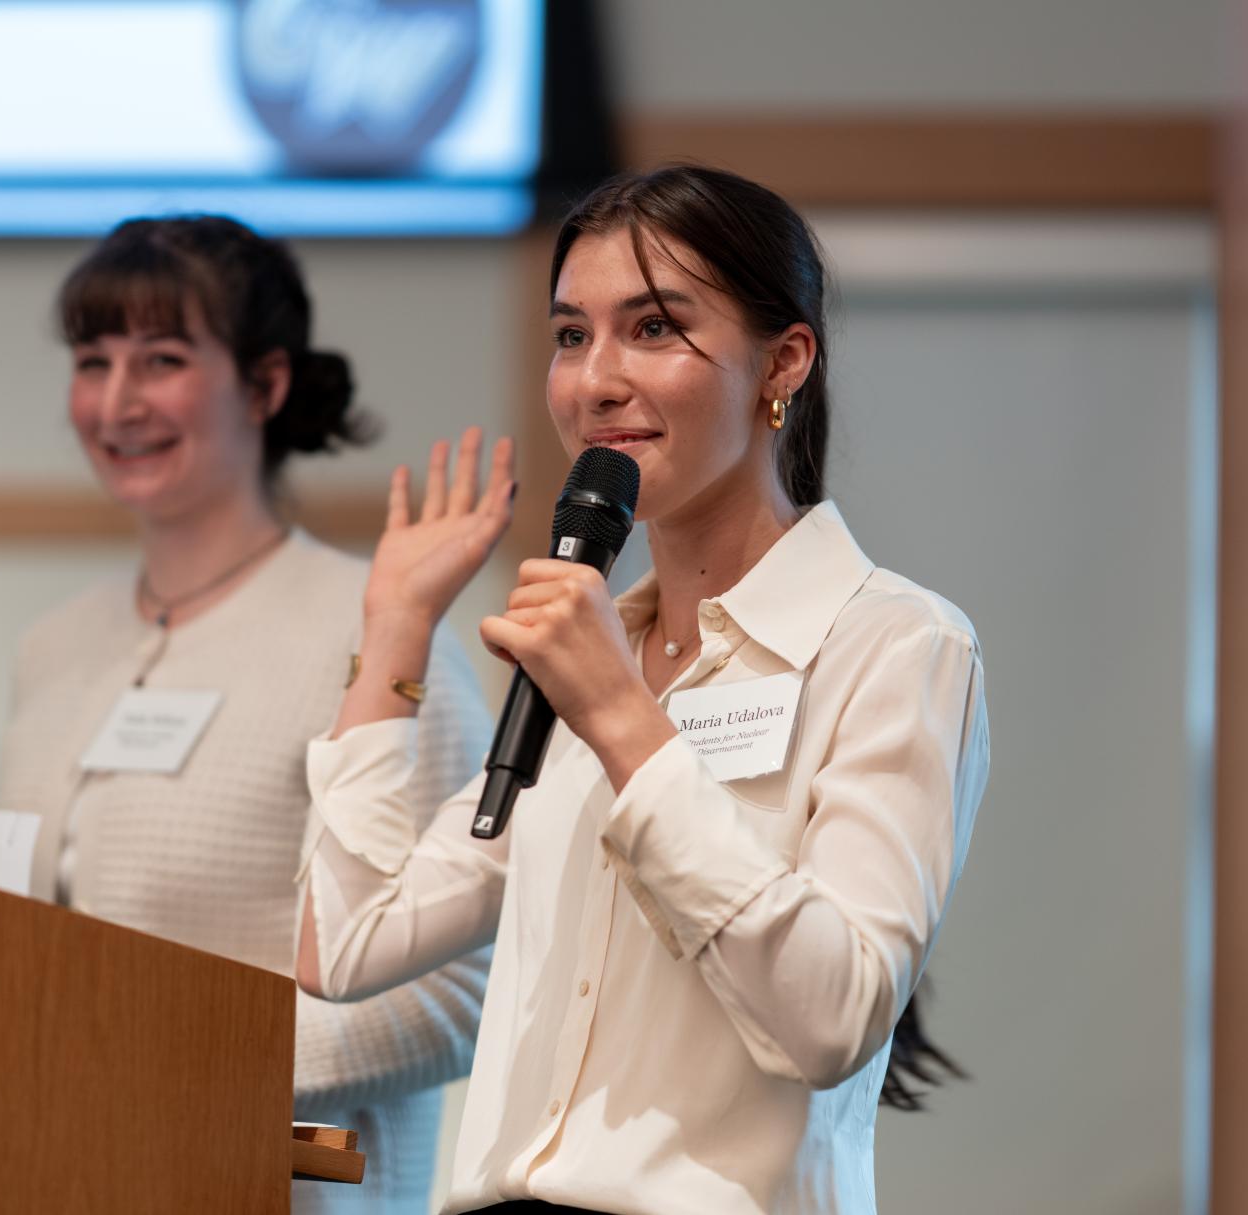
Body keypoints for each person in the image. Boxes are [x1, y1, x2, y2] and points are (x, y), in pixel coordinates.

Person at [296, 166, 991, 1214]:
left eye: (654, 329)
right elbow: (342, 948)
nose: (595, 381)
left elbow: (833, 1017)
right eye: (571, 335)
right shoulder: (589, 656)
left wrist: (625, 723)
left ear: (782, 364)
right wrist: (394, 624)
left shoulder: (893, 644)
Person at [0, 215, 495, 1213]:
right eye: (93, 361)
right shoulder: (51, 648)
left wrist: (167, 1058)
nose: (117, 401)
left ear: (264, 386)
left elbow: (459, 997)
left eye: (163, 358)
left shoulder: (384, 635)